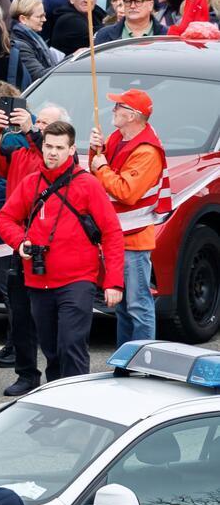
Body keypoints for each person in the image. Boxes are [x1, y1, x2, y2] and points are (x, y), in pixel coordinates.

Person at [0, 120, 125, 380]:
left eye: (59, 147)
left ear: (71, 149)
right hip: (38, 281)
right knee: (52, 350)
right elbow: (3, 218)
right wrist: (20, 241)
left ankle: (77, 407)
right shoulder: (31, 182)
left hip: (78, 280)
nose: (52, 152)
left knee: (71, 346)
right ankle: (59, 405)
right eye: (48, 146)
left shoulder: (87, 184)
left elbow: (112, 233)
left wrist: (114, 282)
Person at [89, 89, 168, 347]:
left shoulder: (147, 151)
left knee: (137, 305)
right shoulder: (118, 137)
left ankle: (145, 361)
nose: (113, 110)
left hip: (133, 238)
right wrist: (95, 151)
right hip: (117, 234)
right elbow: (98, 170)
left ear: (133, 115)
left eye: (118, 106)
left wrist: (100, 166)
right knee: (123, 305)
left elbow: (126, 191)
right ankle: (126, 362)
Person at [92, 0, 165, 44]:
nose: (132, 6)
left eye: (138, 1)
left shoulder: (167, 35)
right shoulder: (104, 35)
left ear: (150, 5)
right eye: (128, 1)